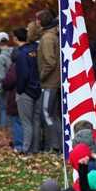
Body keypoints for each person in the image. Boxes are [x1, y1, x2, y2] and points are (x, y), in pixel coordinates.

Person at [36, 9, 61, 153]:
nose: (36, 23)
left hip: (49, 83)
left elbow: (50, 62)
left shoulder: (47, 38)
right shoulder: (51, 36)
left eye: (38, 20)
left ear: (41, 21)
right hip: (53, 82)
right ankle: (58, 145)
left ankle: (55, 146)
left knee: (46, 114)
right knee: (54, 115)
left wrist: (41, 77)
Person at [14, 25, 42, 154]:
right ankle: (35, 147)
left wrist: (19, 90)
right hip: (38, 88)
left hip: (26, 90)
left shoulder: (21, 53)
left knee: (26, 122)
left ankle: (26, 149)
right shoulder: (36, 50)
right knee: (36, 120)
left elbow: (23, 74)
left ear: (15, 38)